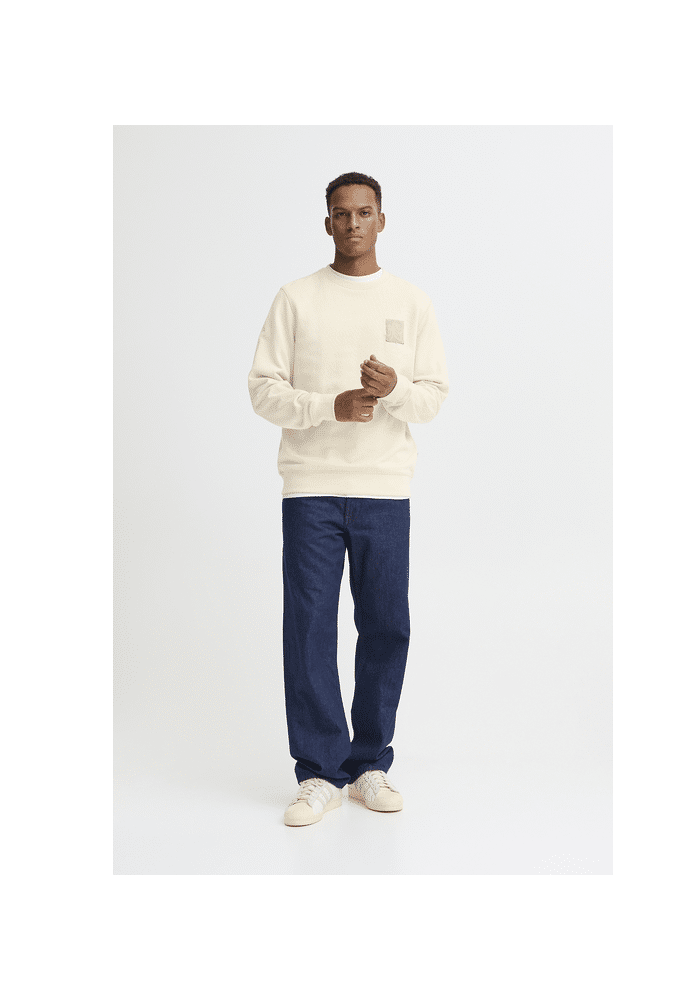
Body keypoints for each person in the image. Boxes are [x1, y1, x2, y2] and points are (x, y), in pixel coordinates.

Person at [247, 172, 450, 827]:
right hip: (310, 486)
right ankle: (318, 772)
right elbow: (262, 390)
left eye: (365, 212)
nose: (354, 223)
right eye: (342, 213)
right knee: (309, 627)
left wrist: (393, 390)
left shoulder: (411, 302)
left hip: (384, 488)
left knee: (386, 625)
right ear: (328, 222)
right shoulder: (296, 299)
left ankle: (368, 765)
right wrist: (327, 406)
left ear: (381, 220)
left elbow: (433, 397)